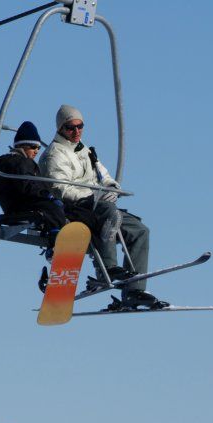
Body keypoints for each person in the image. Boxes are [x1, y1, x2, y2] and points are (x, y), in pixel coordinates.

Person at [39, 104, 165, 309]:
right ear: (61, 128)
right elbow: (59, 189)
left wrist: (111, 189)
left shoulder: (86, 150)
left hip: (97, 204)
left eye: (80, 126)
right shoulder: (55, 154)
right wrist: (94, 196)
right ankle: (108, 268)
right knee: (109, 213)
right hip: (74, 207)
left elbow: (104, 176)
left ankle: (135, 290)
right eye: (71, 127)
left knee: (139, 230)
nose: (76, 131)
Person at [0, 121, 67, 292]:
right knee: (54, 208)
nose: (36, 151)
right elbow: (28, 186)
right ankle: (56, 245)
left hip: (15, 205)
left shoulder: (6, 162)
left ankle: (57, 243)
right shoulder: (21, 163)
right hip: (22, 207)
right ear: (23, 146)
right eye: (34, 147)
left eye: (38, 148)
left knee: (54, 210)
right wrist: (47, 196)